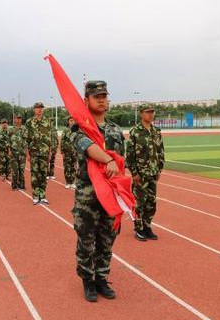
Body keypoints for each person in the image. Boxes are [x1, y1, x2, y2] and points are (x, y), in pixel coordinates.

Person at [71, 80, 125, 302]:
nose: (102, 99)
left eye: (104, 95)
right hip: (88, 196)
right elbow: (90, 148)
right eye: (97, 96)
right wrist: (109, 159)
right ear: (86, 101)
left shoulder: (115, 130)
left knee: (107, 239)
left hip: (111, 196)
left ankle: (102, 278)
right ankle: (87, 280)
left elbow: (122, 162)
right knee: (87, 240)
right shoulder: (79, 128)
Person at [126, 104, 165, 241]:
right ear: (142, 114)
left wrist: (159, 168)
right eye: (148, 112)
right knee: (139, 203)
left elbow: (160, 151)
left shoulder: (156, 131)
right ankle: (139, 228)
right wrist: (134, 172)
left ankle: (147, 226)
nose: (150, 114)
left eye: (152, 112)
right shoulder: (135, 131)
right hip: (141, 174)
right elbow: (130, 154)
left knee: (151, 202)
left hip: (153, 172)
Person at [25, 102, 52, 205]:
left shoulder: (48, 122)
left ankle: (43, 195)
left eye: (41, 108)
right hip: (34, 152)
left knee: (43, 174)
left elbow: (50, 138)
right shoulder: (29, 122)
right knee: (35, 174)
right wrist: (27, 153)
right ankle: (36, 196)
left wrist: (49, 152)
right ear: (34, 110)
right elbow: (26, 139)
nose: (40, 110)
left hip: (45, 152)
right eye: (37, 108)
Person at [10, 114, 27, 190]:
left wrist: (27, 151)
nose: (18, 120)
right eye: (17, 118)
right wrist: (9, 150)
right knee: (15, 170)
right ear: (14, 120)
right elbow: (8, 141)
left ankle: (22, 185)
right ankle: (14, 185)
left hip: (22, 153)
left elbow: (27, 141)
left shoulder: (25, 129)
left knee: (22, 170)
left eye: (20, 118)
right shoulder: (11, 129)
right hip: (13, 152)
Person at [60, 117, 77, 189]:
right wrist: (62, 151)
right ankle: (68, 182)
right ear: (68, 122)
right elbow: (62, 140)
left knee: (73, 167)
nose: (72, 122)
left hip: (74, 151)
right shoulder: (65, 130)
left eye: (73, 120)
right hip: (67, 151)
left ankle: (72, 182)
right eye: (71, 120)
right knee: (67, 167)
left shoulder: (76, 130)